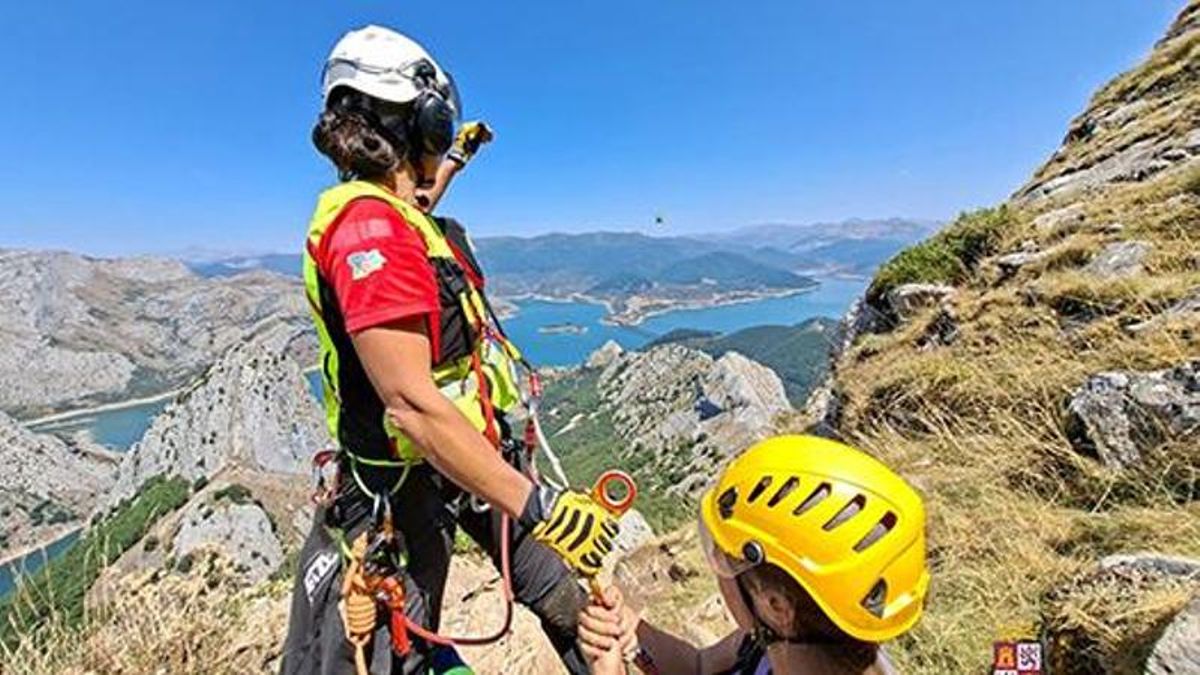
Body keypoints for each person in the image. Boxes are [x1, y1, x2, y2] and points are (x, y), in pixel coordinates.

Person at [281, 25, 619, 675]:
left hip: (466, 459)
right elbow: (410, 403)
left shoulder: (393, 209)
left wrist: (459, 158)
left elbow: (421, 198)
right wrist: (539, 504)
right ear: (420, 121)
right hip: (405, 487)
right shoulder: (369, 227)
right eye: (438, 125)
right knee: (395, 646)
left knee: (564, 592)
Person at [577, 435, 930, 675]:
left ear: (776, 605)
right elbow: (700, 667)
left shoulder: (778, 641)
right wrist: (632, 627)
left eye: (726, 562)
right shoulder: (788, 642)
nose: (719, 572)